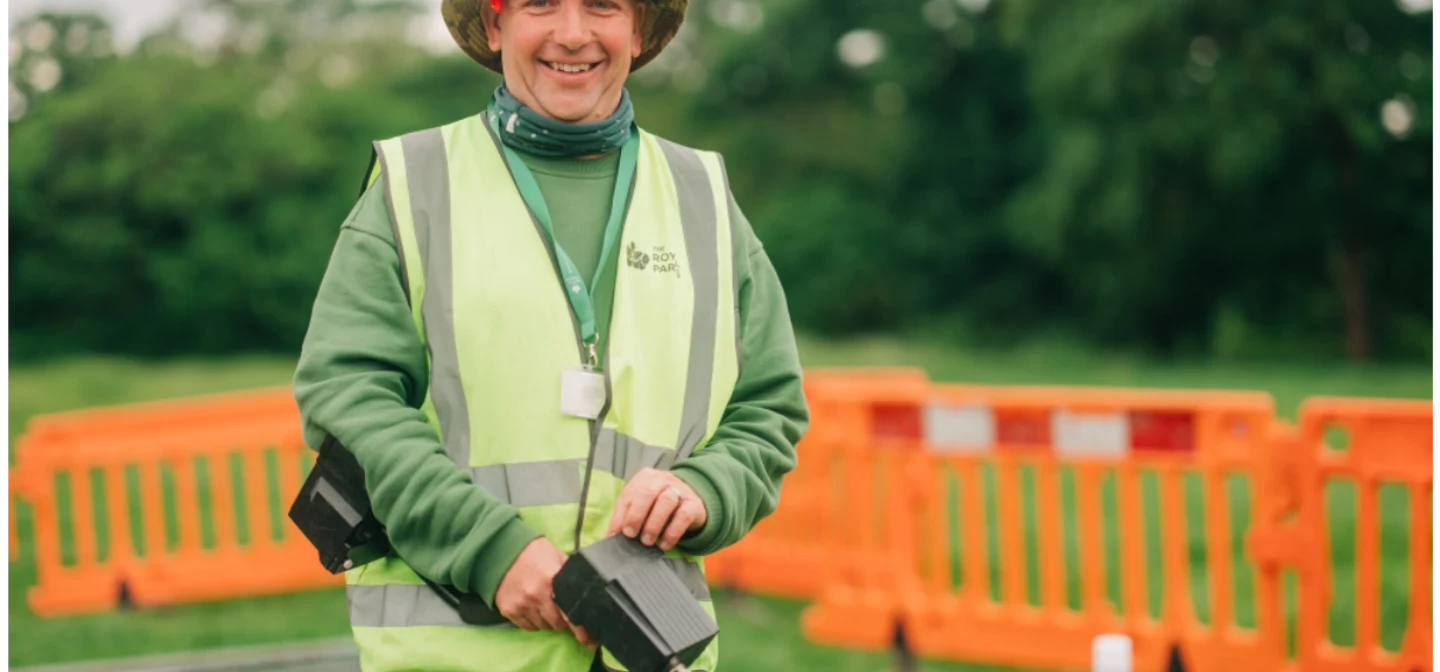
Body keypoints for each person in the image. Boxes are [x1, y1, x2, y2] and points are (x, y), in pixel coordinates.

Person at [291, 0, 809, 670]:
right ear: (495, 22)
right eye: (540, 3)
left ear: (638, 28)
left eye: (603, 5)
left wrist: (705, 490)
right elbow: (349, 401)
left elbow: (767, 410)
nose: (572, 33)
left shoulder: (702, 195)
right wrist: (493, 551)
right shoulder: (413, 184)